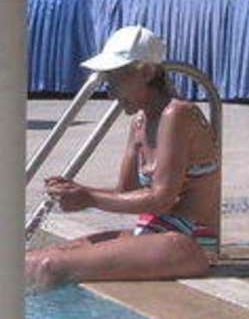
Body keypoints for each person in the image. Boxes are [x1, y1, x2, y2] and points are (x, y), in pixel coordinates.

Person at [24, 25, 221, 289]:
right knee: (42, 256)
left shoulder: (177, 114)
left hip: (188, 244)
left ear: (147, 73)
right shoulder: (140, 121)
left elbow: (161, 199)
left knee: (47, 266)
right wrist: (77, 190)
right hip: (153, 233)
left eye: (116, 80)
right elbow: (125, 192)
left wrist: (89, 197)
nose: (111, 91)